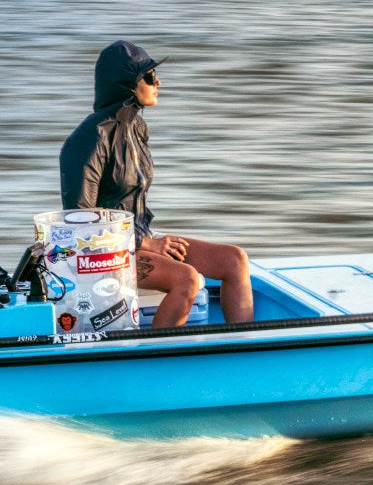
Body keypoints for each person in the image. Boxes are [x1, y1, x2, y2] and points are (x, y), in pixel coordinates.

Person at [60, 41, 253, 327]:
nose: (158, 82)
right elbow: (79, 222)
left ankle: (247, 356)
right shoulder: (90, 140)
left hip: (138, 239)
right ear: (127, 85)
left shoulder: (136, 128)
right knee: (186, 279)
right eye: (149, 76)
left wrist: (145, 240)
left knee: (234, 260)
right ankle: (154, 363)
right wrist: (145, 243)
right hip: (99, 256)